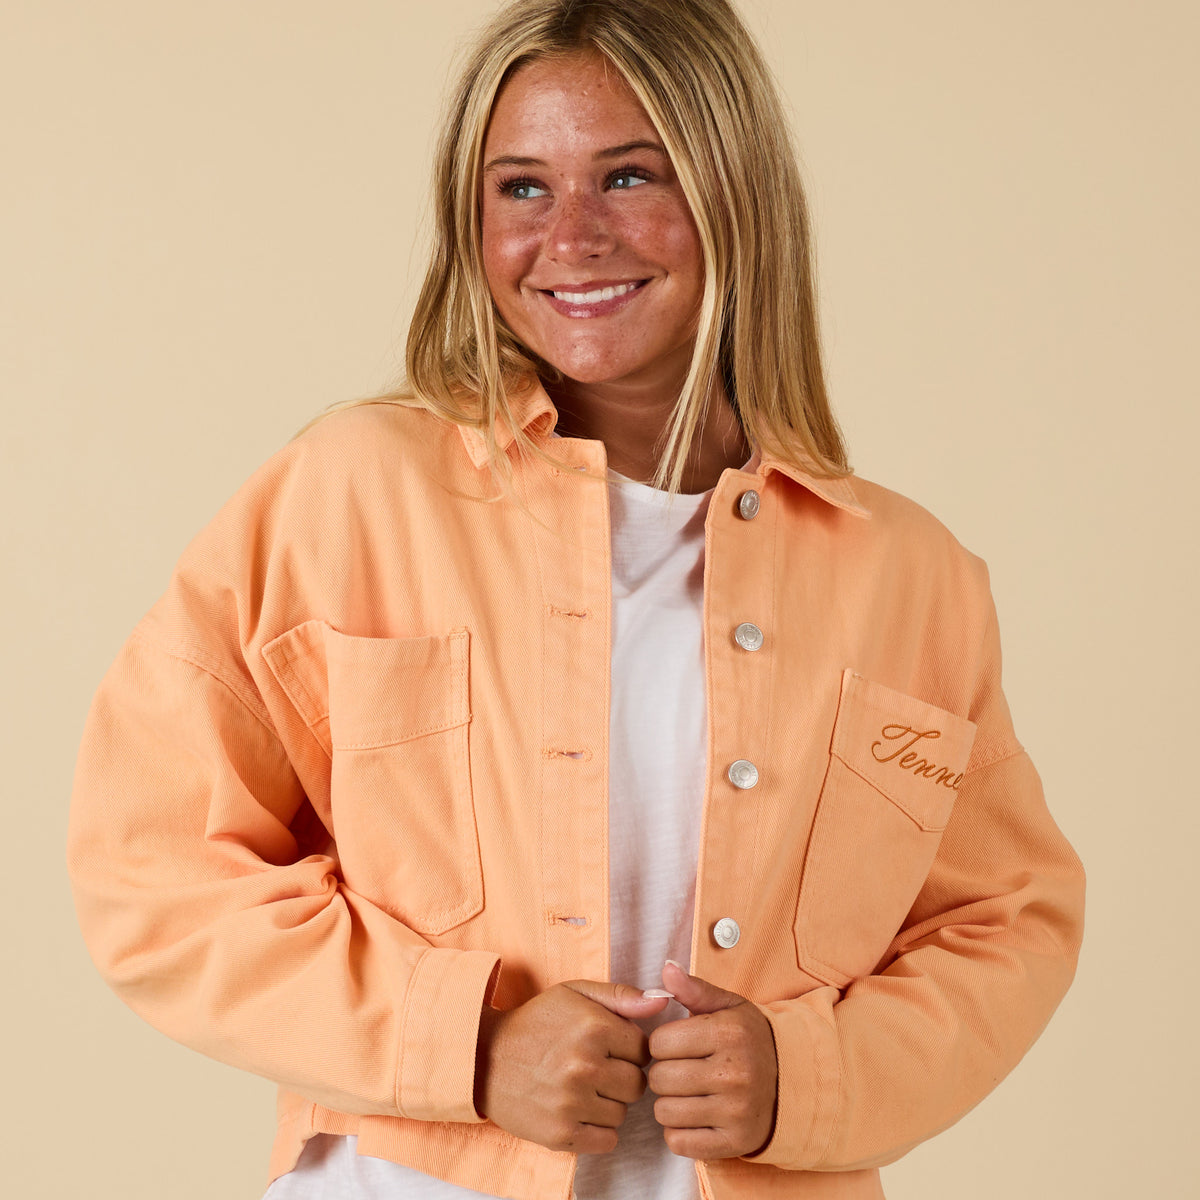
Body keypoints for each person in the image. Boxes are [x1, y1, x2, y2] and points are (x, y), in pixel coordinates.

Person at [67, 1, 1085, 1198]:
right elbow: (152, 868)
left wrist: (808, 1077)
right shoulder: (346, 496)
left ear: (732, 196)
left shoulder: (913, 580)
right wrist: (475, 1047)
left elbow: (1004, 926)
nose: (572, 236)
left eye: (628, 176)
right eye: (522, 189)